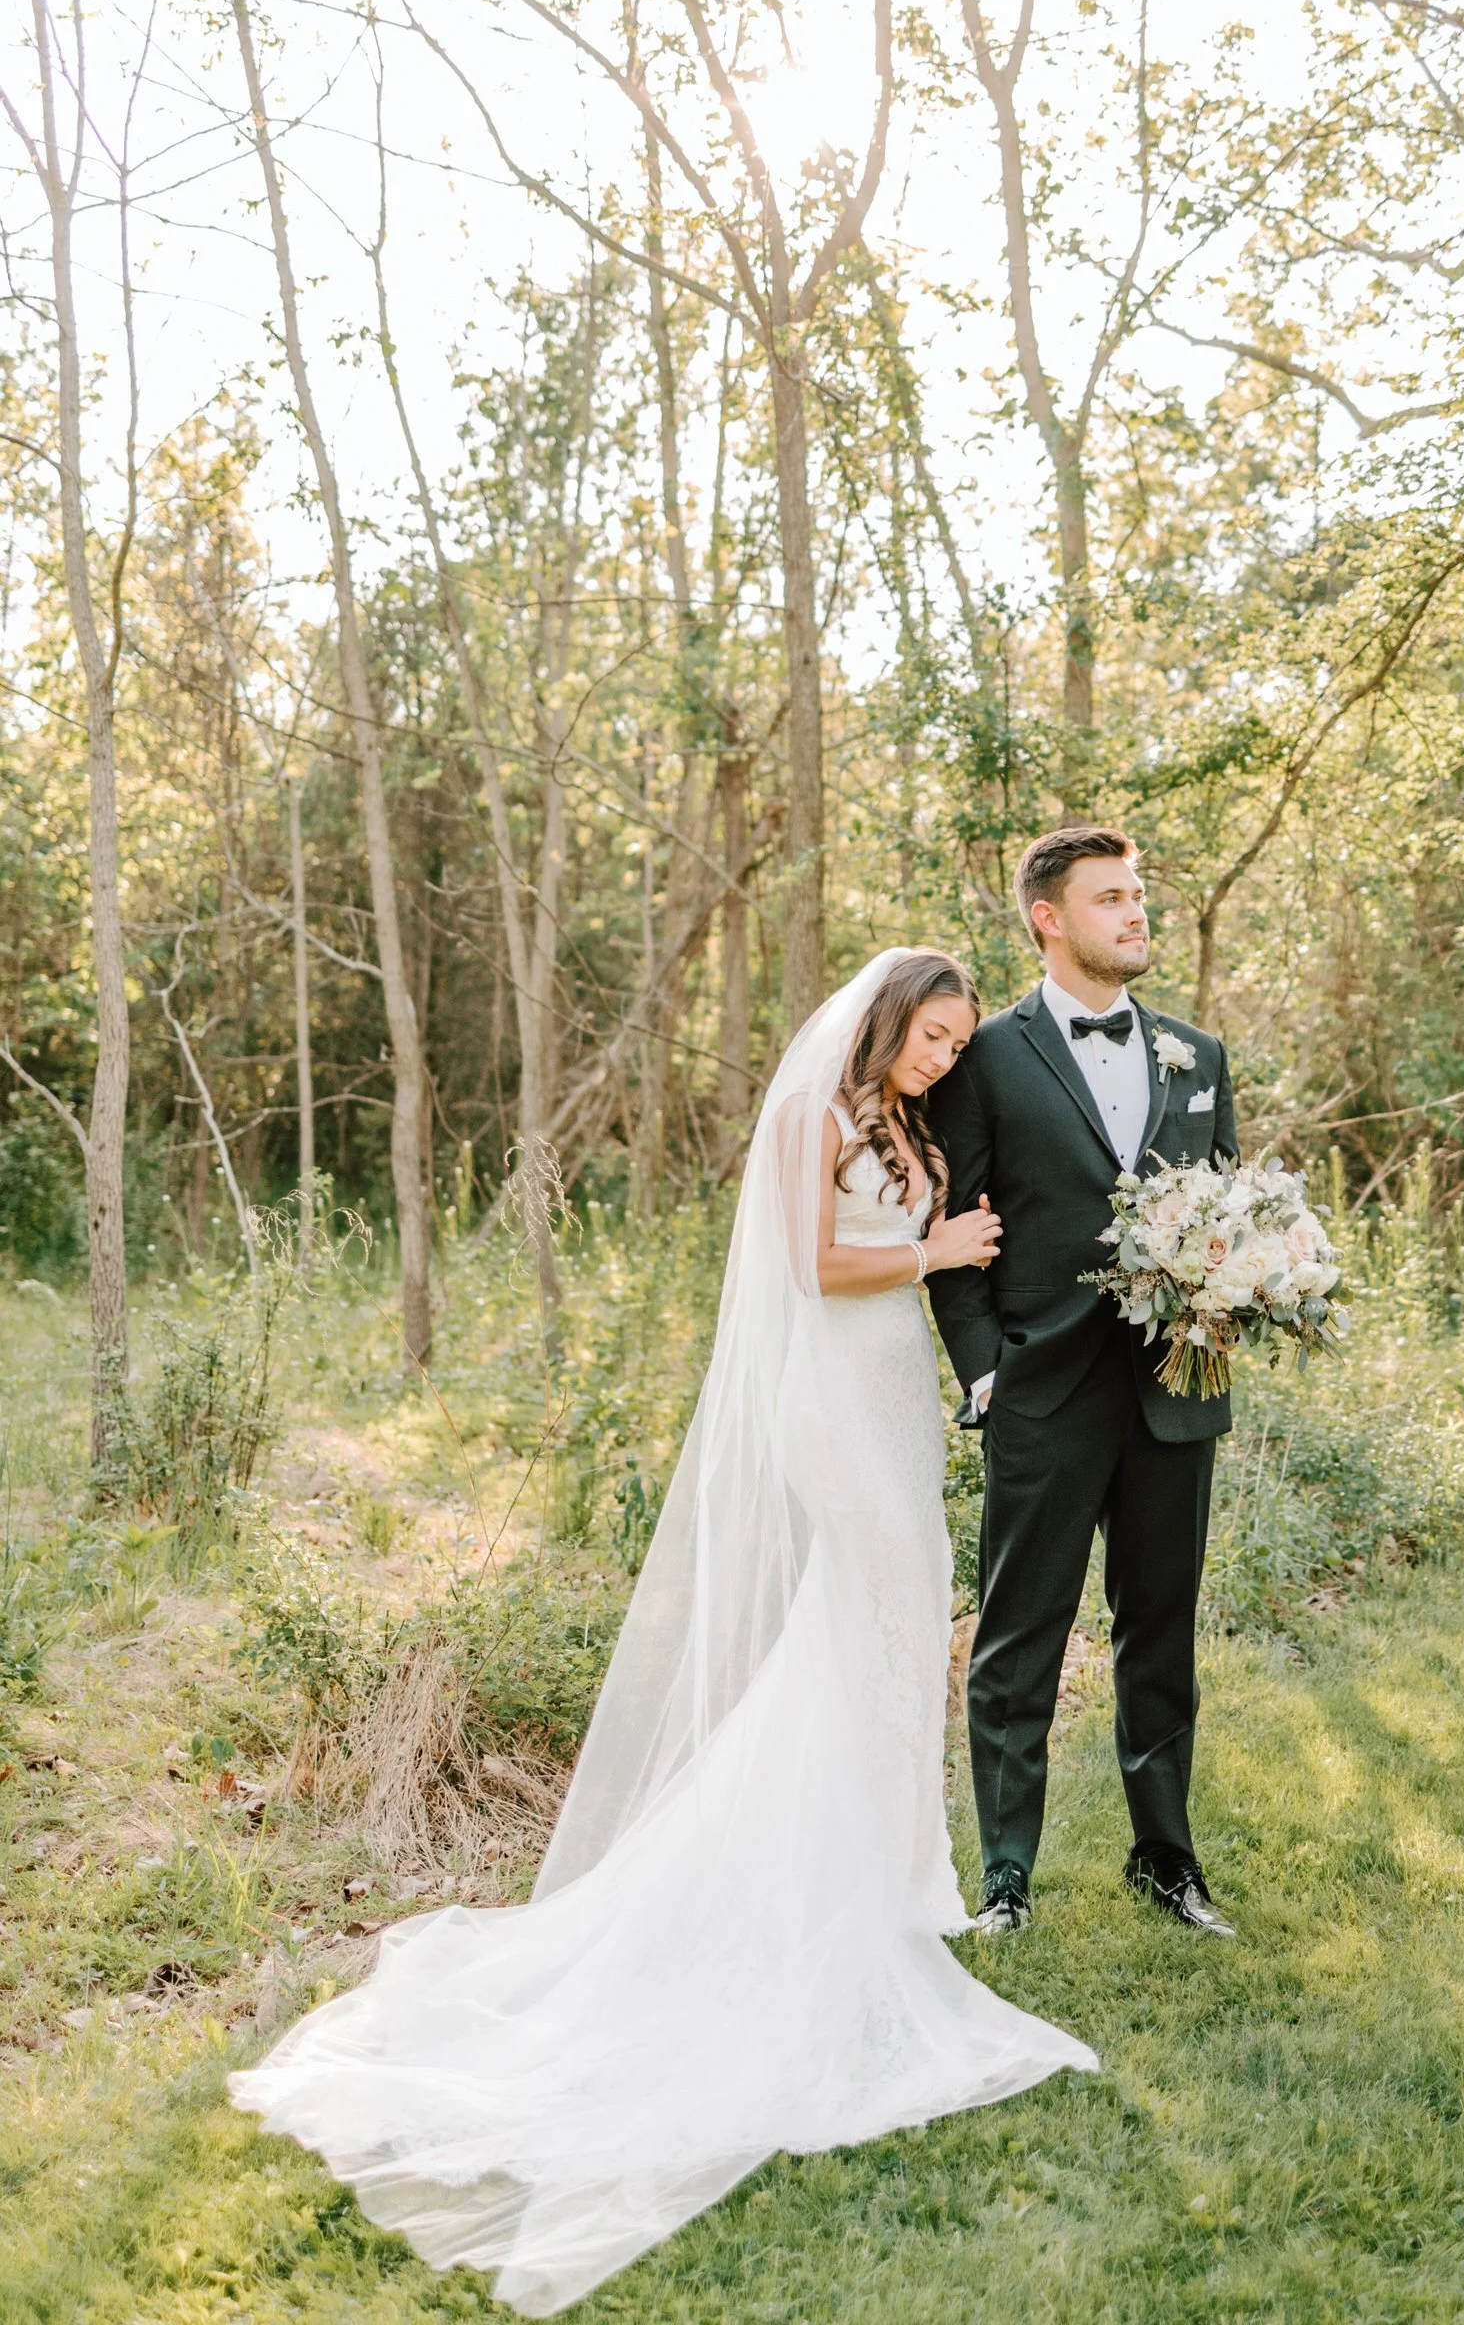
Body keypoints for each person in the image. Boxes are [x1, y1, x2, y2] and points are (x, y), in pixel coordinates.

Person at [229, 948, 1096, 2317]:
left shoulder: (907, 1123)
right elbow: (814, 1267)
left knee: (882, 1630)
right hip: (829, 1398)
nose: (941, 1058)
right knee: (873, 1619)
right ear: (883, 1021)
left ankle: (882, 1872)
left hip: (896, 1405)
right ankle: (830, 1890)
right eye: (928, 1036)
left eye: (953, 1043)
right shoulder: (817, 1115)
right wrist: (932, 1247)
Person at [927, 826, 1239, 1940]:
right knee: (1021, 1639)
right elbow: (953, 1230)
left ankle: (1167, 1862)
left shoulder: (1198, 1058)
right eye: (1112, 899)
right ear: (1048, 919)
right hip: (1042, 1392)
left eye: (1139, 896)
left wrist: (1238, 1296)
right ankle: (1006, 1876)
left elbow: (1225, 1216)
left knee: (1161, 1630)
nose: (1137, 914)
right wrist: (983, 1376)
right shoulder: (985, 1059)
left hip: (1172, 1393)